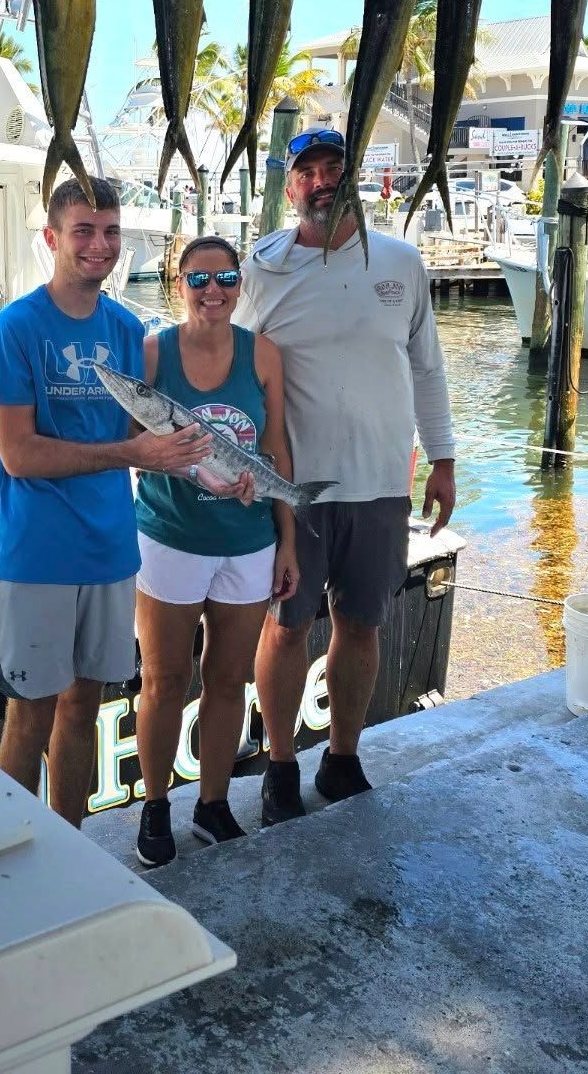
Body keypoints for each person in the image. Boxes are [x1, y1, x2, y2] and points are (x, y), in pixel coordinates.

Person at [234, 127, 456, 825]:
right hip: (295, 493)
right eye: (310, 171)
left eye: (336, 167)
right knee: (287, 628)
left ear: (356, 178)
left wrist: (443, 459)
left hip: (382, 483)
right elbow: (238, 368)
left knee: (362, 625)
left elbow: (427, 365)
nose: (323, 180)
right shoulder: (262, 267)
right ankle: (277, 763)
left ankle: (343, 757)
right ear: (291, 184)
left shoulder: (400, 261)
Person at [0, 178, 210, 827]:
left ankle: (70, 848)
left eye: (109, 231)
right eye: (83, 230)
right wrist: (128, 456)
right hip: (34, 552)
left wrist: (216, 469)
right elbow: (20, 453)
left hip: (109, 550)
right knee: (30, 715)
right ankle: (16, 853)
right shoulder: (17, 328)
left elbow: (141, 435)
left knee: (84, 708)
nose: (99, 245)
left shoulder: (126, 328)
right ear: (52, 238)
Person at [131, 235, 298, 868]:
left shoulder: (264, 356)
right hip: (170, 539)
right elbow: (130, 442)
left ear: (239, 285)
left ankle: (214, 802)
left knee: (228, 679)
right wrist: (163, 457)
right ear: (179, 284)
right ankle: (155, 806)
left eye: (226, 278)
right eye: (199, 280)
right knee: (164, 678)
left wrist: (287, 540)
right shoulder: (153, 354)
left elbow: (276, 448)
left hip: (248, 543)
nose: (213, 291)